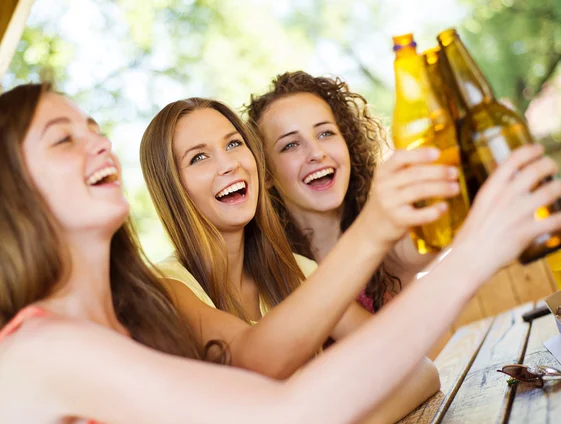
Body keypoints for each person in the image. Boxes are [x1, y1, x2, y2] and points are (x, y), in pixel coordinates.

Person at [0, 83, 561, 423]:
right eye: (63, 137)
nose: (99, 142)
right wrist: (470, 252)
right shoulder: (45, 345)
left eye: (94, 127)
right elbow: (283, 405)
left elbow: (406, 374)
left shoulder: (113, 327)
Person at [140, 97, 443, 422]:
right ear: (171, 187)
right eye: (199, 157)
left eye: (233, 143)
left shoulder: (298, 270)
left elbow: (415, 369)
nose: (229, 164)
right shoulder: (166, 289)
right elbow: (256, 363)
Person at [246, 71, 438, 312]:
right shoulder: (273, 275)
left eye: (326, 133)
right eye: (290, 145)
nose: (316, 152)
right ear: (265, 173)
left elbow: (441, 224)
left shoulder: (391, 244)